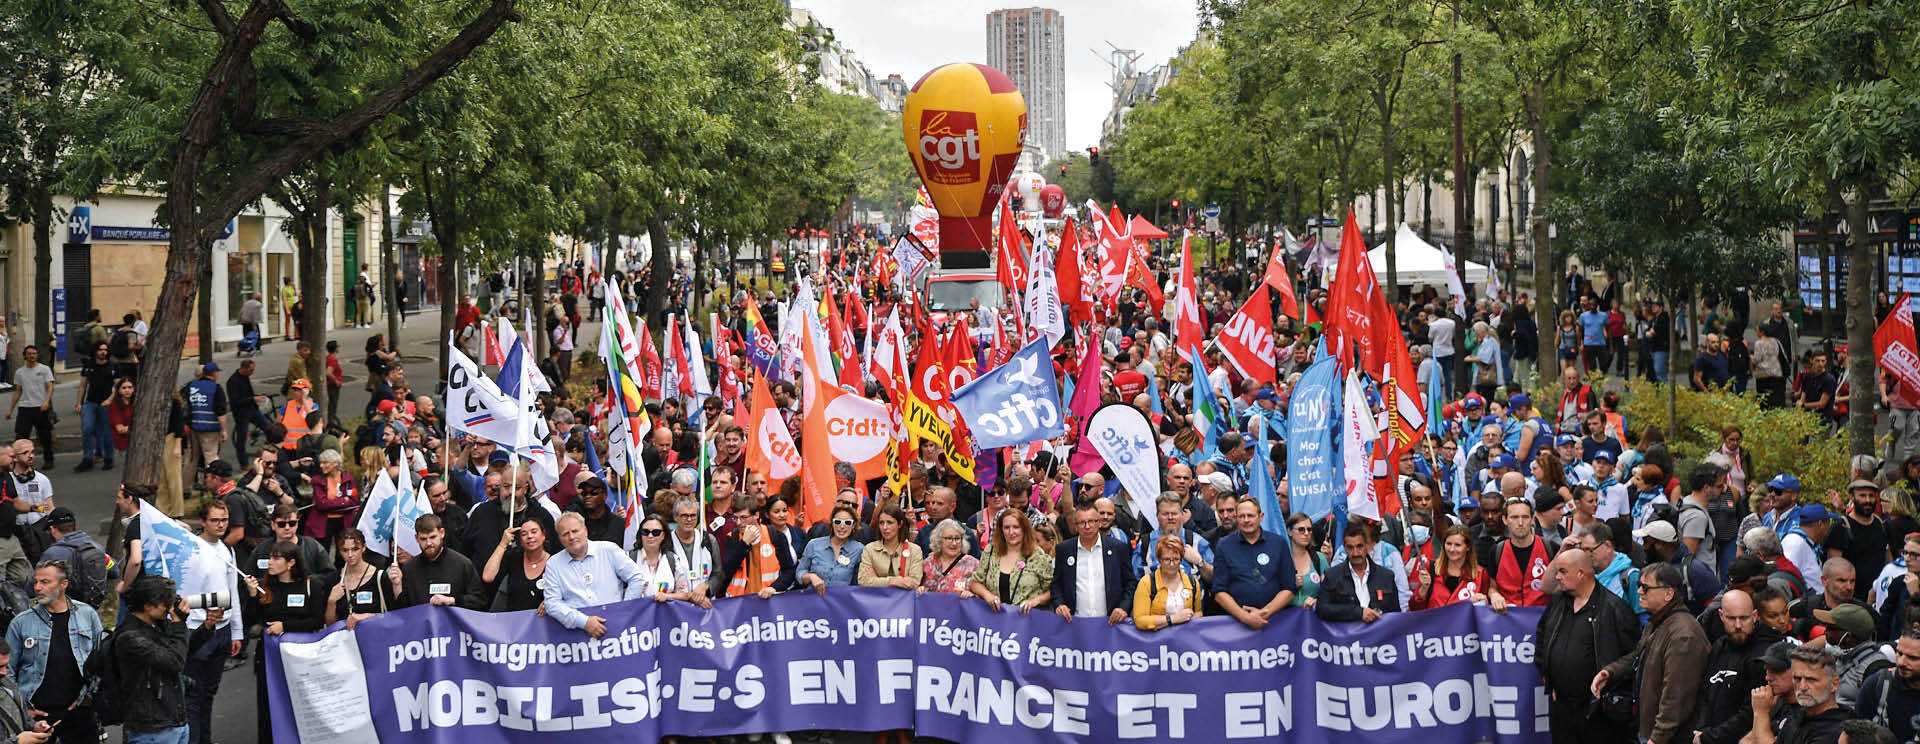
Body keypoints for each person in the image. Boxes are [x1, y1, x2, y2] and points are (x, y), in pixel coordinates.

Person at [1592, 563, 1710, 744]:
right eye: (1639, 585)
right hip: (1649, 730)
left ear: (1668, 594)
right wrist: (1611, 672)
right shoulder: (1657, 622)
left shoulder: (1684, 635)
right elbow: (1638, 656)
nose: (1639, 591)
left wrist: (1657, 737)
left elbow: (1676, 696)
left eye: (1645, 587)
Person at [1536, 548, 1639, 744]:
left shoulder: (1614, 608)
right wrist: (1547, 674)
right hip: (1562, 708)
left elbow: (1634, 655)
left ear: (1581, 573)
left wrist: (1609, 676)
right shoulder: (1558, 602)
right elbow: (1542, 636)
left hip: (1597, 711)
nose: (1557, 577)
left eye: (1562, 571)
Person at [7, 561, 103, 742]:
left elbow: (102, 661)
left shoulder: (87, 614)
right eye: (35, 582)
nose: (37, 587)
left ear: (63, 584)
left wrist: (91, 697)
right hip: (37, 717)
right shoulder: (21, 623)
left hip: (80, 713)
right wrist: (23, 711)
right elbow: (7, 672)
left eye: (45, 582)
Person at [240, 540, 325, 744]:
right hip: (270, 658)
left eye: (276, 558)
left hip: (299, 658)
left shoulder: (310, 584)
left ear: (291, 563)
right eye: (270, 557)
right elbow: (252, 619)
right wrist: (252, 595)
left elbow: (317, 620)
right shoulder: (265, 586)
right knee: (269, 706)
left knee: (300, 704)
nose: (270, 562)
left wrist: (285, 626)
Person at [111, 575, 201, 744]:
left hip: (174, 720)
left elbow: (182, 649)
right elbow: (175, 662)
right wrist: (179, 623)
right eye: (166, 602)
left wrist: (207, 626)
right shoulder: (129, 637)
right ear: (148, 606)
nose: (170, 607)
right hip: (151, 730)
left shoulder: (157, 624)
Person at [180, 501, 241, 744]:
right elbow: (182, 592)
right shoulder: (192, 550)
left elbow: (232, 590)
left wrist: (236, 631)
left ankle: (205, 739)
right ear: (203, 521)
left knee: (209, 693)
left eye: (224, 520)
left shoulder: (227, 549)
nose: (221, 525)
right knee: (193, 695)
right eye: (215, 520)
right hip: (197, 630)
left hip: (223, 631)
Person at [1693, 590, 1786, 743]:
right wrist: (1701, 731)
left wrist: (1710, 737)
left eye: (1743, 618)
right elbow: (1705, 693)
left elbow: (1751, 712)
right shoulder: (1718, 646)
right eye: (1731, 618)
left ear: (1755, 616)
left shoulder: (1764, 654)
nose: (1737, 625)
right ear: (1722, 616)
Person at [543, 514, 646, 637]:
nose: (571, 537)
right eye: (565, 534)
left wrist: (624, 610)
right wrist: (584, 622)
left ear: (585, 530)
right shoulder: (553, 564)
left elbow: (637, 578)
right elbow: (552, 603)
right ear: (559, 538)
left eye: (575, 531)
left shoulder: (609, 550)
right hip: (577, 637)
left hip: (617, 630)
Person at [1211, 496, 1297, 629]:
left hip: (1276, 625)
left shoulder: (1279, 543)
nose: (1246, 520)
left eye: (1250, 515)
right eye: (1241, 516)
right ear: (1236, 517)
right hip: (1236, 626)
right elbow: (1219, 592)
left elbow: (1289, 588)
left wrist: (1264, 613)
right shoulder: (1224, 545)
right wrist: (1245, 617)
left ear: (1261, 516)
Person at [1748, 644, 1851, 743]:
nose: (1802, 687)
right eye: (1797, 679)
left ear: (1834, 684)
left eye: (1811, 680)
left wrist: (1761, 713)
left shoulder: (1837, 730)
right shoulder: (1797, 715)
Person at [1051, 503, 1133, 624]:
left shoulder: (1118, 548)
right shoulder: (1064, 549)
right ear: (1076, 526)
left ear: (1099, 522)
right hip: (1074, 623)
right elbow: (1056, 584)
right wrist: (1059, 604)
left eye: (1091, 521)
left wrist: (1123, 607)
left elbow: (1130, 582)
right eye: (1082, 522)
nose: (1087, 526)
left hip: (1110, 623)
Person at [391, 515, 486, 610]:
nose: (428, 543)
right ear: (416, 538)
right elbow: (404, 610)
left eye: (432, 537)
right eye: (423, 539)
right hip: (420, 623)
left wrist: (452, 600)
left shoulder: (462, 564)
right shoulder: (409, 568)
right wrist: (397, 585)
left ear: (442, 533)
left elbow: (480, 600)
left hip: (452, 623)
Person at [968, 507, 1052, 613]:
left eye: (1016, 527)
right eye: (1006, 527)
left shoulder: (1037, 555)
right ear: (1001, 530)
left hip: (1026, 620)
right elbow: (975, 582)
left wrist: (1036, 600)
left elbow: (1052, 590)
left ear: (1024, 529)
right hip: (994, 619)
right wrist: (987, 595)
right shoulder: (991, 550)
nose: (1011, 532)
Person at [1317, 523, 1402, 623]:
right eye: (1350, 547)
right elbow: (1322, 609)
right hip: (1347, 637)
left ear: (1367, 546)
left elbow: (1395, 615)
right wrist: (1358, 613)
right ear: (1344, 548)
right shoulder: (1332, 576)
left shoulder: (1386, 576)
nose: (1355, 553)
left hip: (1379, 637)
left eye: (1359, 546)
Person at [1814, 603, 1891, 708]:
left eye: (1831, 628)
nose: (1826, 632)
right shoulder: (1837, 655)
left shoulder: (1875, 667)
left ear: (1848, 636)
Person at [1855, 628, 1920, 743]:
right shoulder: (1876, 684)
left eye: (1913, 658)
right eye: (1899, 653)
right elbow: (1857, 735)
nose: (1901, 662)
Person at [326, 529, 396, 628]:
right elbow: (330, 626)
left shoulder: (380, 577)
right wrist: (331, 602)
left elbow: (394, 615)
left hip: (375, 636)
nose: (350, 555)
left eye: (355, 549)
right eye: (345, 550)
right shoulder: (334, 579)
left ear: (364, 548)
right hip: (345, 640)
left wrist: (367, 617)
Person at [1489, 498, 1551, 609]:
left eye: (1525, 517)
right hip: (1509, 618)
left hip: (1542, 618)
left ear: (1532, 519)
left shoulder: (1550, 547)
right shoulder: (1497, 550)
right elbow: (1492, 586)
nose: (1520, 523)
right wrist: (1494, 595)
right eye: (1514, 517)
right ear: (1505, 519)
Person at [244, 504, 328, 586]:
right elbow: (247, 576)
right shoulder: (262, 549)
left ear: (297, 524)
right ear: (273, 525)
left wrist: (307, 582)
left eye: (292, 523)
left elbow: (329, 574)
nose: (287, 527)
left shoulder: (312, 546)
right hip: (271, 597)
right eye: (281, 524)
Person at [1131, 535, 1202, 631]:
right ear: (1159, 559)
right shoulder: (1146, 583)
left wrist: (1193, 617)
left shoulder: (1192, 582)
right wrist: (1172, 619)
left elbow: (1199, 612)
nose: (1172, 564)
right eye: (1167, 559)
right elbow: (1140, 620)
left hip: (1184, 641)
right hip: (1156, 642)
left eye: (1176, 559)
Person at [1410, 525, 1491, 609]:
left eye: (1457, 545)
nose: (1452, 549)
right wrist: (1423, 589)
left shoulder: (1480, 574)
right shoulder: (1431, 569)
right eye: (1448, 544)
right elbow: (1414, 609)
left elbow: (1485, 612)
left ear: (1468, 547)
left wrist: (1484, 602)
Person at [480, 516, 550, 612]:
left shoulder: (554, 562)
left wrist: (552, 602)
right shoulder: (514, 558)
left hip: (543, 622)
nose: (529, 536)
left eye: (534, 532)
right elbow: (487, 576)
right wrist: (503, 544)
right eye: (524, 534)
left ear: (543, 535)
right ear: (520, 541)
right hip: (514, 621)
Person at [797, 505, 862, 594]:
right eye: (838, 522)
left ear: (853, 525)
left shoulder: (859, 549)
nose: (842, 526)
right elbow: (799, 573)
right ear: (832, 523)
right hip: (814, 600)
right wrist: (811, 577)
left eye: (847, 522)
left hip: (841, 602)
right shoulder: (814, 545)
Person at [856, 504, 922, 593]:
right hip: (876, 602)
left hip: (904, 604)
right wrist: (893, 581)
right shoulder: (869, 549)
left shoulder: (915, 550)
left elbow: (914, 582)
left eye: (890, 522)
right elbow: (863, 581)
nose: (885, 527)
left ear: (900, 524)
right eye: (881, 523)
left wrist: (877, 580)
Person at [6, 347, 54, 466]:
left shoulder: (44, 369)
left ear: (37, 355)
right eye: (29, 354)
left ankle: (49, 460)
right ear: (25, 356)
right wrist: (10, 410)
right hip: (25, 408)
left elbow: (50, 387)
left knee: (45, 437)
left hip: (40, 408)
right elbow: (18, 391)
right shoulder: (20, 372)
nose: (32, 356)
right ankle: (20, 462)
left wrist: (46, 402)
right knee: (21, 437)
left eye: (34, 353)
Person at [73, 345, 116, 472]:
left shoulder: (113, 366)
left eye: (106, 350)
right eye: (100, 349)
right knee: (87, 428)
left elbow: (118, 386)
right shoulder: (88, 366)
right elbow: (82, 386)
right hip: (90, 403)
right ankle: (87, 459)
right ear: (95, 351)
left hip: (106, 404)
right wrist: (78, 403)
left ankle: (108, 458)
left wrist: (110, 400)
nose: (103, 352)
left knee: (106, 432)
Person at [178, 362, 228, 470]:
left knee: (192, 458)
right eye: (217, 372)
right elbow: (221, 411)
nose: (218, 375)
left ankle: (186, 484)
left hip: (193, 427)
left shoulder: (191, 385)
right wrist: (224, 430)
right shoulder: (216, 388)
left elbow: (182, 403)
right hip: (210, 429)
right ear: (213, 373)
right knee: (211, 456)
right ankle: (212, 482)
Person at [918, 519, 981, 597]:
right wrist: (920, 589)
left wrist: (973, 595)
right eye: (949, 538)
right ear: (939, 540)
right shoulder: (928, 563)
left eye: (957, 538)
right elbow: (917, 587)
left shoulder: (973, 564)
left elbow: (983, 593)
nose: (954, 543)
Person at [1286, 513, 1330, 608]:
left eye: (1309, 529)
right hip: (1286, 619)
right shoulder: (1281, 558)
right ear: (1289, 531)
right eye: (1301, 529)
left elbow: (1329, 592)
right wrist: (1291, 587)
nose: (1306, 533)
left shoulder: (1319, 558)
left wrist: (1317, 601)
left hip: (1312, 619)